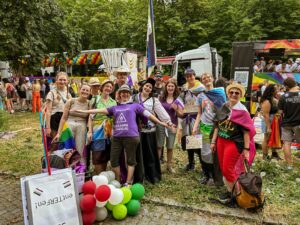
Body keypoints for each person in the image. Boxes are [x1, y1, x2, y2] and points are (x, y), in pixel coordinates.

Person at [76, 84, 170, 186]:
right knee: (114, 160)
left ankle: (128, 182)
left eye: (127, 92)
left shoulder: (135, 105)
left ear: (129, 94)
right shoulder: (115, 107)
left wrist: (161, 123)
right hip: (117, 138)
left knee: (131, 160)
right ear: (119, 95)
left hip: (132, 137)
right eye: (122, 92)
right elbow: (99, 111)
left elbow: (149, 115)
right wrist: (83, 111)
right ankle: (119, 178)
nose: (125, 94)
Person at [211, 83, 256, 204]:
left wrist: (246, 149)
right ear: (228, 93)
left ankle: (236, 197)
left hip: (234, 143)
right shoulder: (225, 106)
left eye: (237, 93)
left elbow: (247, 132)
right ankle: (230, 191)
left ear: (240, 95)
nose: (234, 94)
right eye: (231, 92)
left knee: (227, 170)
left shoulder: (243, 111)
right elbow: (217, 125)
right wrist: (213, 141)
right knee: (224, 169)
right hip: (221, 141)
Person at [133, 78, 173, 184]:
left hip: (150, 130)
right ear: (142, 87)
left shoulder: (154, 100)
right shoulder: (134, 98)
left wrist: (168, 122)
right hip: (137, 131)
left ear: (152, 90)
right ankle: (139, 176)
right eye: (146, 86)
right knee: (139, 154)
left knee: (150, 154)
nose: (148, 88)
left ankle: (152, 176)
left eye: (150, 87)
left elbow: (161, 112)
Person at [193, 73, 226, 186]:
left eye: (208, 78)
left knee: (214, 151)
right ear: (202, 81)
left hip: (215, 127)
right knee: (204, 151)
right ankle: (206, 174)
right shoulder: (200, 96)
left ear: (212, 79)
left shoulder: (220, 93)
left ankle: (215, 175)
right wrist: (195, 126)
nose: (206, 80)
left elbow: (223, 112)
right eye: (204, 78)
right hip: (203, 126)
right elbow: (199, 113)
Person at [53, 84, 91, 164]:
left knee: (80, 149)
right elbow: (63, 118)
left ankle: (79, 170)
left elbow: (90, 118)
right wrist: (59, 133)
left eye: (87, 90)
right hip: (69, 125)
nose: (85, 92)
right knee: (67, 148)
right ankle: (65, 167)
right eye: (83, 89)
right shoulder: (71, 101)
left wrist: (90, 131)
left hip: (82, 127)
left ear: (90, 92)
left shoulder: (89, 104)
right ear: (79, 90)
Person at [88, 79, 116, 174]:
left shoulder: (113, 102)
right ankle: (98, 175)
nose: (108, 88)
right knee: (97, 153)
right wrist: (90, 131)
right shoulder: (95, 99)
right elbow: (90, 117)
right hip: (97, 130)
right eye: (106, 86)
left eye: (110, 87)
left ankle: (103, 174)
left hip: (109, 130)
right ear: (102, 88)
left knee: (106, 153)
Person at [179, 68, 204, 171]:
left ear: (194, 75)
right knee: (188, 141)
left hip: (197, 117)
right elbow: (181, 101)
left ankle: (204, 166)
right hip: (187, 117)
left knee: (197, 142)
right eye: (187, 76)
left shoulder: (201, 88)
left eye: (191, 76)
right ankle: (191, 163)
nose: (189, 78)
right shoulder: (185, 88)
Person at [157, 79, 183, 173]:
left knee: (170, 147)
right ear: (166, 87)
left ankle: (169, 166)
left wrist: (176, 110)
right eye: (169, 86)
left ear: (175, 88)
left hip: (173, 125)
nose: (170, 88)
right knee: (159, 146)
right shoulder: (161, 98)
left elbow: (181, 114)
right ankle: (157, 166)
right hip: (161, 124)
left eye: (172, 86)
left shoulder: (178, 100)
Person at [45, 72, 72, 149]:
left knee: (65, 142)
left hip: (65, 119)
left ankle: (63, 160)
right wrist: (48, 127)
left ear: (67, 81)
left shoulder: (68, 93)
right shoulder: (51, 93)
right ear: (56, 80)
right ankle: (54, 160)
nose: (62, 82)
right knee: (55, 143)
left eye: (64, 80)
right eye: (60, 79)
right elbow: (48, 111)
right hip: (55, 120)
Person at [278, 78, 300, 170]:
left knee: (287, 144)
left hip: (286, 123)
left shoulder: (283, 96)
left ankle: (289, 165)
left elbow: (280, 112)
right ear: (295, 84)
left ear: (286, 86)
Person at [260, 84, 281, 160]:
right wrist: (268, 127)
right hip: (268, 121)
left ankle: (274, 154)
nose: (277, 90)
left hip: (274, 120)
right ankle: (265, 156)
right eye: (276, 89)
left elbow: (278, 109)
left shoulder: (273, 99)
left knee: (273, 137)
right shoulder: (266, 101)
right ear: (271, 91)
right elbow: (266, 115)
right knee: (266, 138)